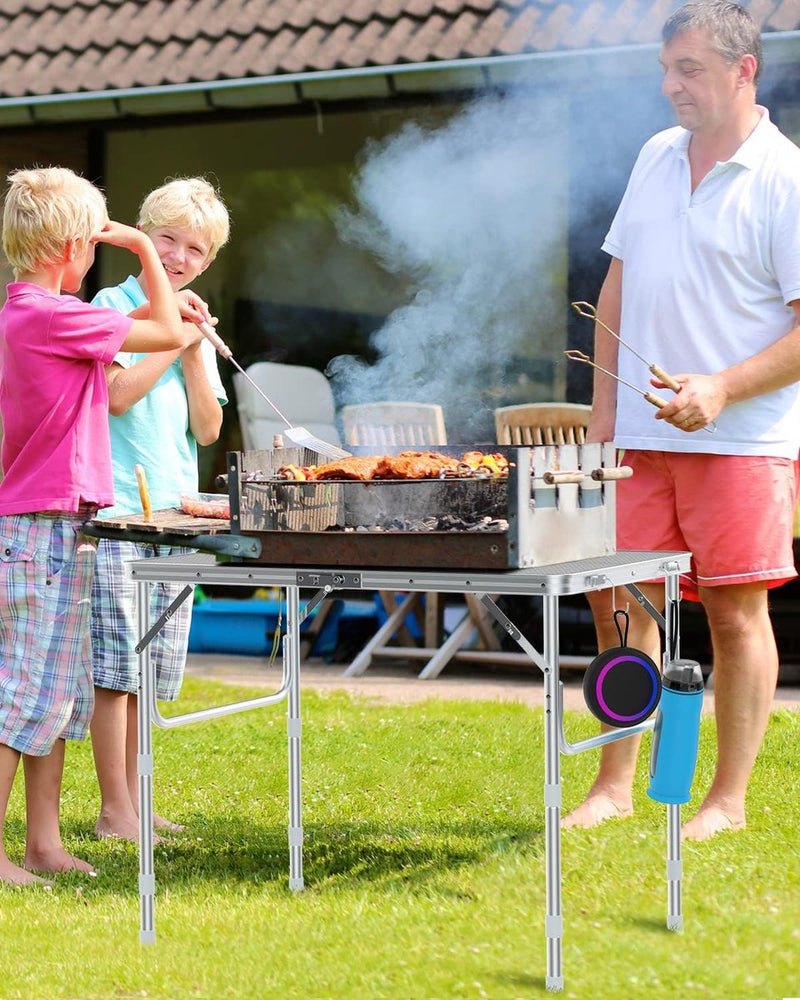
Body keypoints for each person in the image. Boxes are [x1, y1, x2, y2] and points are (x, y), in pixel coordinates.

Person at [564, 1, 800, 841]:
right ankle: (615, 785)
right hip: (637, 440)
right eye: (665, 69)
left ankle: (725, 802)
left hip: (740, 440)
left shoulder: (787, 178)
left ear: (744, 71)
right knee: (619, 605)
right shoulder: (657, 155)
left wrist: (724, 389)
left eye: (689, 70)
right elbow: (618, 286)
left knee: (736, 616)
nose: (669, 87)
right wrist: (604, 414)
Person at [0, 166, 196, 886]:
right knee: (21, 695)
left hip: (53, 524)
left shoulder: (29, 312)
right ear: (72, 247)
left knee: (50, 693)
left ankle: (43, 844)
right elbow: (170, 329)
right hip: (42, 528)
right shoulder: (55, 315)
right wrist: (146, 249)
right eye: (92, 240)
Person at [89, 177, 230, 841]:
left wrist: (196, 348)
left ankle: (139, 801)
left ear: (208, 261)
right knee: (115, 669)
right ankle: (115, 810)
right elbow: (116, 397)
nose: (177, 256)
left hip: (177, 507)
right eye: (167, 239)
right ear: (143, 237)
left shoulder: (190, 321)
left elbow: (207, 429)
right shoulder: (112, 306)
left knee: (152, 669)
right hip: (120, 506)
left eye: (194, 249)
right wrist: (173, 336)